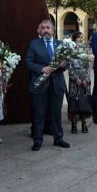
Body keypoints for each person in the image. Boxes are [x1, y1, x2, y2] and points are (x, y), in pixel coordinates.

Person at [26, 19, 69, 151]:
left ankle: (58, 138)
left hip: (57, 85)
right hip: (40, 85)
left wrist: (64, 65)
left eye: (48, 28)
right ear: (39, 31)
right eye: (43, 28)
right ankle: (37, 141)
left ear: (53, 30)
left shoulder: (60, 44)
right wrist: (41, 69)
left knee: (56, 114)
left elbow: (67, 63)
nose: (46, 30)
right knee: (40, 114)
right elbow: (28, 62)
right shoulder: (34, 44)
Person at [67, 31, 91, 133]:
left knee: (84, 100)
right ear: (74, 39)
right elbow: (69, 66)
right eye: (78, 38)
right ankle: (74, 123)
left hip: (84, 77)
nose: (81, 39)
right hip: (74, 79)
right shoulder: (69, 49)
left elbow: (87, 66)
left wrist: (85, 79)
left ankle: (84, 123)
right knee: (74, 101)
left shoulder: (85, 49)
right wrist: (75, 78)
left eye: (81, 37)